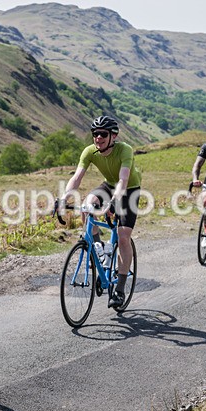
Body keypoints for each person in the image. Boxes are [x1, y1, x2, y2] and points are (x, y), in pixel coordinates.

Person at [61, 115, 141, 308]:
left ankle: (120, 289)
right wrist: (64, 198)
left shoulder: (125, 150)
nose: (98, 138)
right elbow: (77, 177)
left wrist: (113, 203)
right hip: (108, 185)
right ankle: (99, 248)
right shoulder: (90, 151)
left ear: (113, 136)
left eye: (103, 134)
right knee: (88, 204)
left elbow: (123, 180)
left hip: (128, 189)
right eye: (95, 134)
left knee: (123, 237)